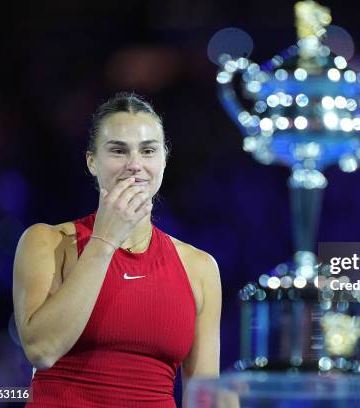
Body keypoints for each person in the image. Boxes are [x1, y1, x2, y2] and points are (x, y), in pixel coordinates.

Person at [12, 92, 221, 407]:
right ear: (92, 162)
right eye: (118, 151)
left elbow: (207, 398)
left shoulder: (200, 267)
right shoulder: (47, 242)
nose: (135, 165)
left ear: (164, 159)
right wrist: (105, 241)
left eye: (148, 150)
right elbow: (42, 350)